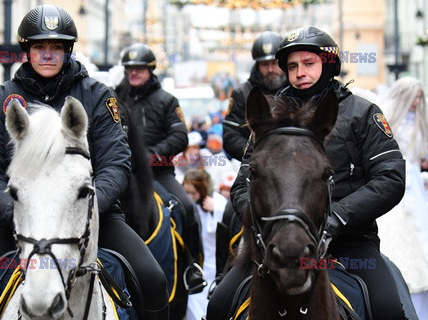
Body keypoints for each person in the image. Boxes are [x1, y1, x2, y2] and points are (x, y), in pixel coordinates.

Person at [0, 5, 168, 320]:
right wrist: (18, 209)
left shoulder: (98, 95)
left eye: (55, 47)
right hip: (24, 222)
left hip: (93, 218)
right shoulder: (2, 99)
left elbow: (117, 162)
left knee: (153, 279)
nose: (46, 55)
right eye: (39, 47)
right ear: (27, 50)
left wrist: (88, 207)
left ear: (68, 50)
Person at [207, 26, 407, 320]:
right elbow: (241, 186)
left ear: (328, 64)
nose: (300, 72)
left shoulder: (363, 112)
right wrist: (269, 225)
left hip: (349, 244)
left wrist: (338, 217)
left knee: (389, 309)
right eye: (292, 66)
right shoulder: (269, 118)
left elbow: (391, 177)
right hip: (274, 247)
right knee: (219, 304)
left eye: (308, 63)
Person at [115, 43, 204, 269]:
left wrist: (151, 155)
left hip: (158, 172)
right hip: (121, 171)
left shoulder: (167, 100)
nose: (133, 72)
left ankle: (192, 266)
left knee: (187, 208)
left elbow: (179, 136)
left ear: (150, 69)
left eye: (140, 68)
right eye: (129, 68)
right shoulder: (113, 98)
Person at [377, 76, 428, 319]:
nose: (417, 101)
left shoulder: (417, 122)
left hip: (416, 188)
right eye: (414, 96)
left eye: (420, 97)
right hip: (399, 184)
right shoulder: (389, 120)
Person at [222, 31, 287, 161]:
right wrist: (256, 155)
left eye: (274, 63)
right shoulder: (241, 93)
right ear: (257, 65)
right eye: (264, 64)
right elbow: (230, 135)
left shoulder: (295, 88)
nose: (270, 69)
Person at [182, 169, 226, 320]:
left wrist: (216, 210)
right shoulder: (186, 206)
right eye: (186, 192)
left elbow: (222, 229)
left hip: (213, 263)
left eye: (193, 193)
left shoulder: (218, 201)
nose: (189, 197)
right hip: (195, 265)